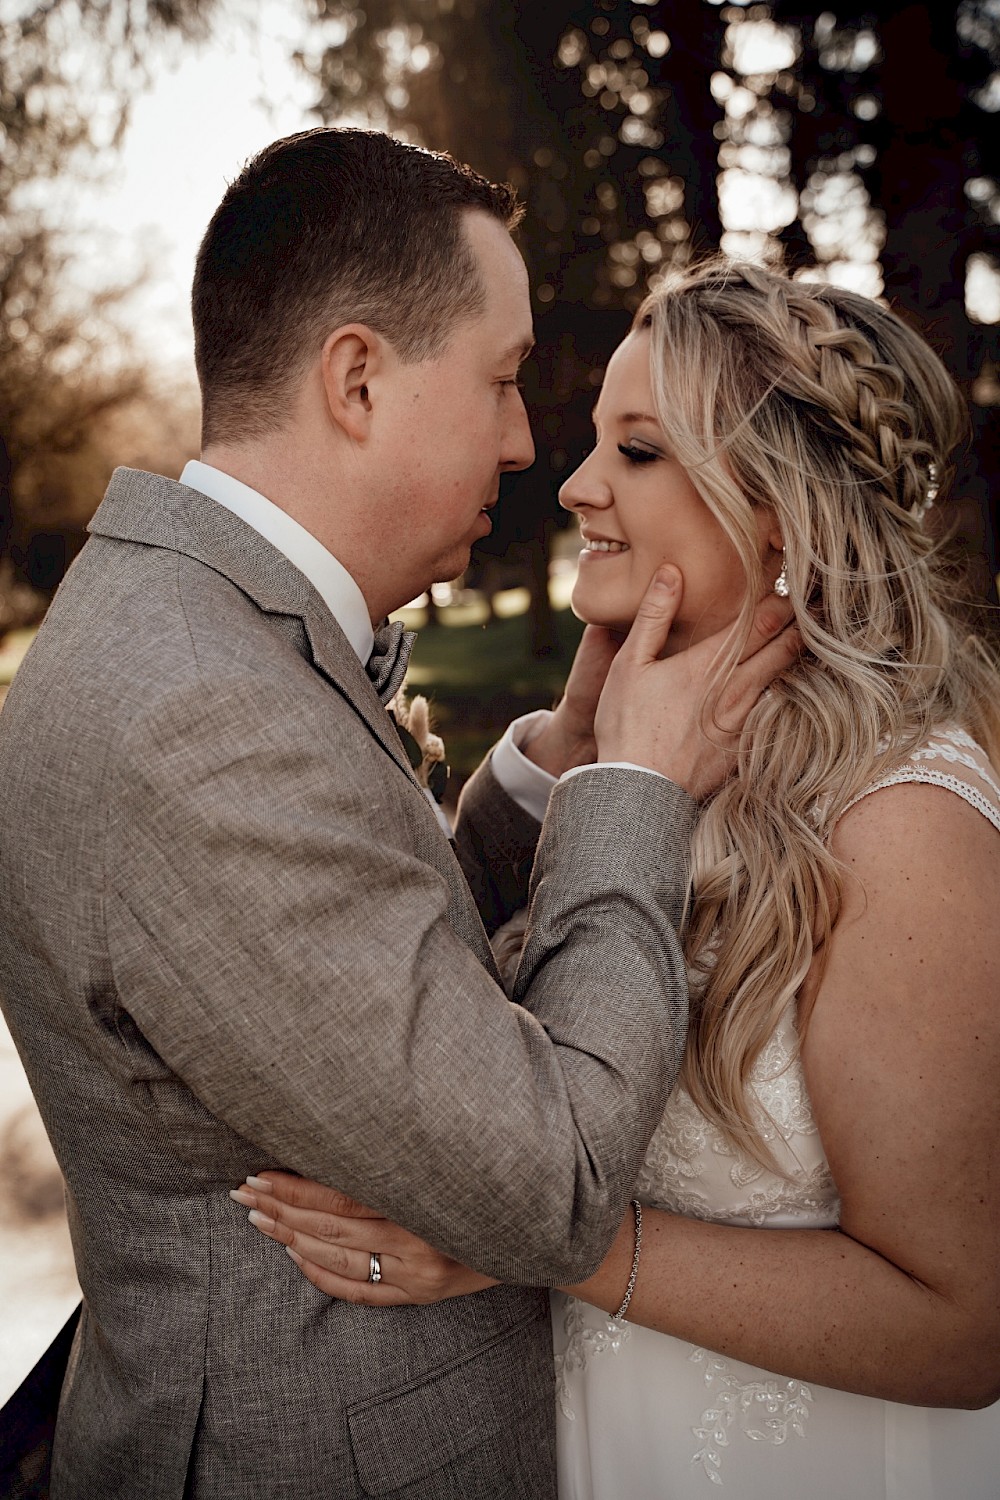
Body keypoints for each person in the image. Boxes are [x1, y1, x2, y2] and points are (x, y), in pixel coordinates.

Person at [0, 133, 796, 1499]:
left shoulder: (199, 631)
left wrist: (557, 762)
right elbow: (552, 1180)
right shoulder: (197, 711)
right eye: (498, 381)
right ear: (358, 379)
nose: (525, 440)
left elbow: (362, 961)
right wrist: (638, 800)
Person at [236, 260, 1000, 1499]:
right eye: (595, 438)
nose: (575, 481)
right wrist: (569, 758)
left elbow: (964, 1325)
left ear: (776, 510)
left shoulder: (900, 820)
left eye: (636, 451)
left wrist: (530, 1240)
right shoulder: (638, 772)